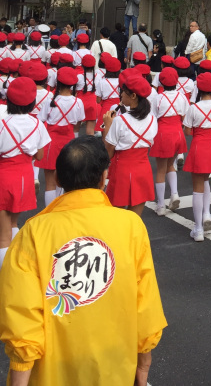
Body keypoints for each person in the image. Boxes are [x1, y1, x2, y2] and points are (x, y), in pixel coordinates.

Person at [0, 135, 166, 386]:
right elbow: (146, 305)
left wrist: (20, 377)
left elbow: (22, 316)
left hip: (53, 372)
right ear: (103, 177)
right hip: (115, 366)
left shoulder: (33, 232)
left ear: (57, 178)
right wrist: (143, 363)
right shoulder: (131, 225)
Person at [0, 78, 51, 264]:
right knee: (13, 222)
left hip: (4, 176)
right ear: (33, 102)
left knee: (2, 235)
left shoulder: (3, 123)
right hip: (25, 176)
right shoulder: (37, 124)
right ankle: (15, 263)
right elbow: (39, 156)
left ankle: (6, 276)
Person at [103, 69, 157, 216]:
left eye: (124, 92)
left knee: (114, 218)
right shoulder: (152, 119)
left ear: (133, 96)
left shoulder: (120, 121)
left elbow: (108, 153)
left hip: (122, 171)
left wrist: (107, 127)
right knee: (135, 219)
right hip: (143, 169)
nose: (121, 94)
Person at [36, 66, 85, 207]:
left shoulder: (50, 101)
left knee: (50, 183)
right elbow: (77, 125)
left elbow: (40, 121)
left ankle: (49, 213)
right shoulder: (78, 102)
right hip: (69, 142)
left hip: (51, 142)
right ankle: (61, 210)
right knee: (65, 180)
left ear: (58, 81)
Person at [183, 71, 211, 241]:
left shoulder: (193, 107)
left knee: (197, 187)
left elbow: (187, 130)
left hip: (199, 146)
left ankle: (198, 228)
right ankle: (207, 214)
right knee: (207, 180)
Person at [151, 67, 187, 215]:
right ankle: (174, 194)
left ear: (161, 82)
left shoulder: (157, 98)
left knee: (160, 169)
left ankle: (160, 205)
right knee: (170, 165)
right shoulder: (182, 96)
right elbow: (185, 116)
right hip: (178, 132)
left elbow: (153, 117)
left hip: (163, 132)